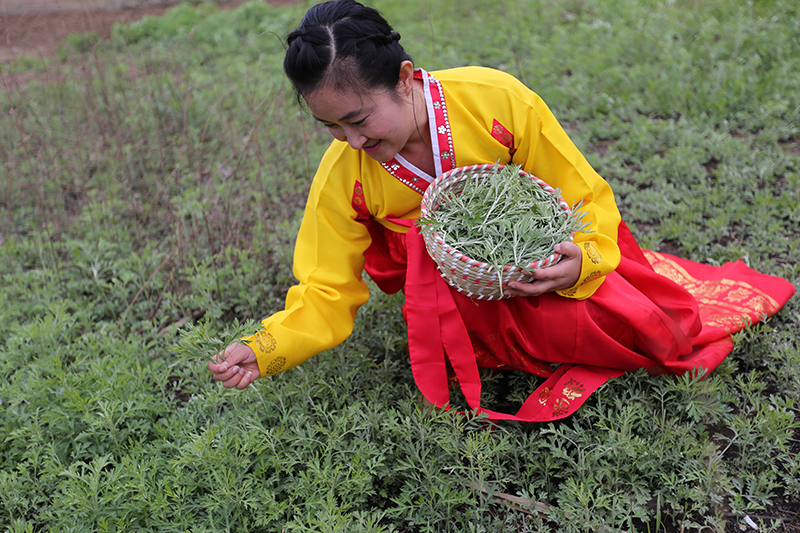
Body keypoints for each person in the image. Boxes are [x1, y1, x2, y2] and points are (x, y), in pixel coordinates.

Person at [207, 0, 794, 422]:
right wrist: (264, 347)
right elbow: (324, 287)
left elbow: (583, 193)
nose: (348, 140)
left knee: (646, 332)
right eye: (329, 126)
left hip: (540, 262)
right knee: (523, 347)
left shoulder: (496, 101)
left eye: (358, 120)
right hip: (451, 285)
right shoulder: (345, 175)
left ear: (407, 80)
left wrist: (582, 259)